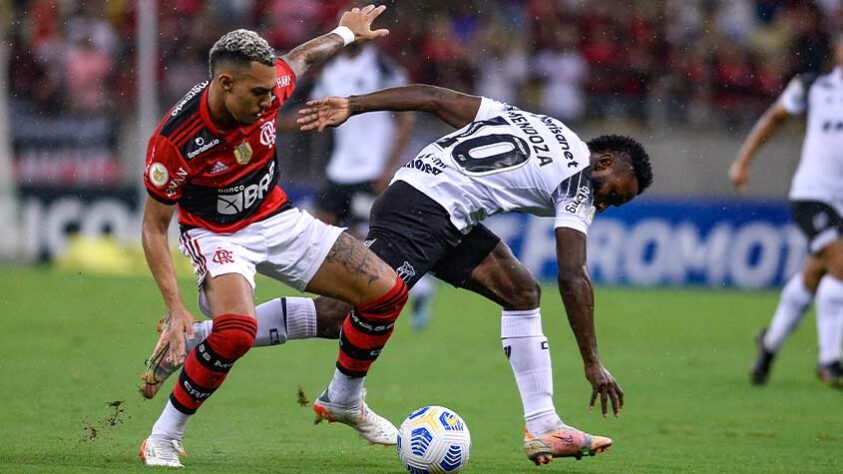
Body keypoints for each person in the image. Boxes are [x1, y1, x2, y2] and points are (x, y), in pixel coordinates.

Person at [148, 82, 653, 465]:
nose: (604, 204)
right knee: (340, 315)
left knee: (521, 292)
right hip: (427, 212)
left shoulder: (550, 128)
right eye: (614, 192)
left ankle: (543, 424)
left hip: (431, 198)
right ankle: (200, 339)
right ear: (603, 159)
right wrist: (592, 362)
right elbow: (574, 275)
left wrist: (355, 104)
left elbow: (433, 98)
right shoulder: (579, 181)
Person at [136, 6, 408, 468]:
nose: (270, 101)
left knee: (387, 293)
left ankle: (344, 399)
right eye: (258, 93)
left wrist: (345, 32)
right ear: (225, 84)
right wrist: (176, 306)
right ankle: (163, 436)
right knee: (237, 333)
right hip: (216, 234)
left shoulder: (271, 83)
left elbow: (301, 57)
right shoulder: (176, 139)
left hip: (276, 215)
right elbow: (153, 228)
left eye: (271, 90)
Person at [729, 36, 843, 389]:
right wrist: (743, 161)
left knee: (814, 274)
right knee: (840, 266)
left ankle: (769, 345)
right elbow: (774, 118)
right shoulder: (813, 86)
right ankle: (829, 362)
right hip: (813, 194)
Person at [310, 41, 436, 329]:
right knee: (324, 232)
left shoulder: (384, 68)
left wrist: (388, 167)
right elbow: (320, 113)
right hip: (338, 169)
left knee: (366, 238)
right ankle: (402, 288)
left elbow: (405, 121)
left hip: (370, 169)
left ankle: (414, 288)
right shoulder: (331, 70)